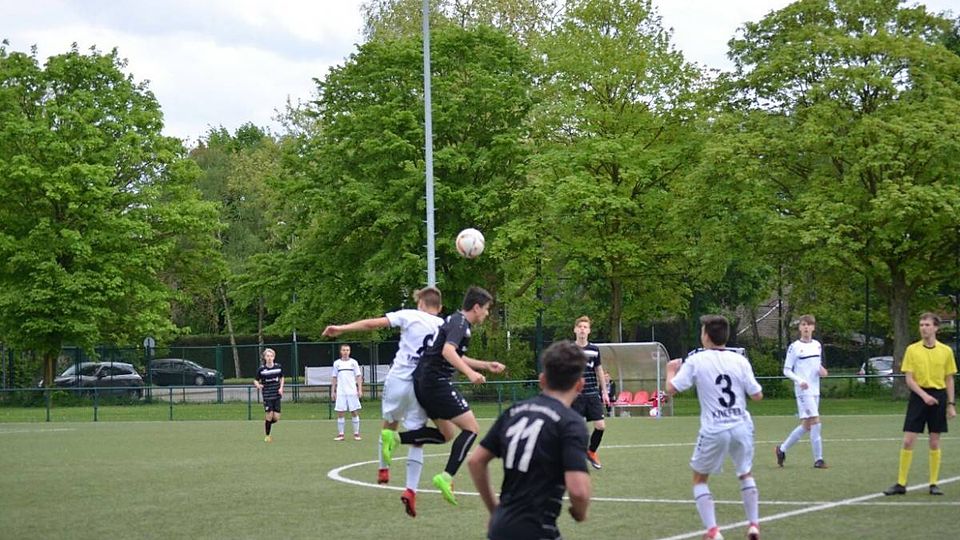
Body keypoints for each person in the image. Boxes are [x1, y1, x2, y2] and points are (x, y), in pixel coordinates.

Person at [321, 286, 444, 517]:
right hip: (422, 384)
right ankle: (411, 490)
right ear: (440, 307)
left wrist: (342, 328)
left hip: (398, 380)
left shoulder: (409, 315)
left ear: (420, 304)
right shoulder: (443, 326)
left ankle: (383, 469)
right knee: (417, 437)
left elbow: (372, 324)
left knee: (389, 425)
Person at [468, 340, 592, 540]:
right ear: (580, 385)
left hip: (500, 528)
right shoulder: (571, 423)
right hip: (537, 529)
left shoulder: (514, 412)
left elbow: (475, 461)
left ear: (542, 380)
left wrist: (494, 510)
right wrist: (580, 512)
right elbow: (578, 491)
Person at [666, 315, 763, 540]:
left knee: (699, 479)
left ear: (706, 336)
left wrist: (670, 370)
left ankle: (713, 531)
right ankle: (753, 525)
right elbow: (757, 395)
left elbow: (671, 389)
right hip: (741, 426)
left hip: (715, 429)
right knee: (745, 473)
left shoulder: (697, 360)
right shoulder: (739, 360)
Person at [407, 285, 505, 506]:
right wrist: (470, 374)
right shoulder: (460, 324)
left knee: (446, 433)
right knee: (471, 429)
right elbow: (448, 352)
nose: (487, 313)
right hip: (435, 383)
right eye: (486, 309)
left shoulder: (457, 322)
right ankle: (446, 476)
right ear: (476, 307)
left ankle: (394, 438)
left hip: (425, 381)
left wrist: (485, 365)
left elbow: (456, 354)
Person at [883, 312, 957, 496]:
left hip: (938, 397)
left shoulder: (946, 351)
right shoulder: (912, 350)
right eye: (921, 325)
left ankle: (933, 483)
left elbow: (949, 379)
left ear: (936, 328)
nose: (923, 328)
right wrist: (924, 396)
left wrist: (950, 404)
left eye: (927, 325)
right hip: (918, 397)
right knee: (908, 440)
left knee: (934, 442)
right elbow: (909, 379)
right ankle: (901, 483)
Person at [775, 314, 829, 469]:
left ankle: (781, 449)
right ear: (799, 328)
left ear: (813, 328)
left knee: (806, 425)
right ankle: (819, 460)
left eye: (809, 325)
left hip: (815, 390)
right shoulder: (794, 347)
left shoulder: (817, 345)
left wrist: (821, 370)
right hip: (803, 391)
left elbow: (816, 365)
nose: (806, 327)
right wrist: (800, 381)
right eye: (803, 324)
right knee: (816, 421)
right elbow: (786, 370)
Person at [572, 316, 610, 469]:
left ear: (589, 331)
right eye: (580, 327)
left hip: (592, 394)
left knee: (600, 426)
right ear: (575, 330)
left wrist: (605, 392)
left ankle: (591, 451)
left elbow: (599, 370)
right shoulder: (569, 349)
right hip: (575, 396)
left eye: (585, 327)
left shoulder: (594, 350)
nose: (582, 329)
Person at [331, 344, 363, 441]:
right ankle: (341, 435)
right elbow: (334, 377)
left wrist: (359, 389)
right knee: (340, 412)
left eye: (347, 350)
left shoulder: (354, 362)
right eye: (344, 350)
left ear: (350, 351)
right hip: (341, 392)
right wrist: (333, 391)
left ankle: (356, 434)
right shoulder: (337, 363)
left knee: (354, 411)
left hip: (352, 391)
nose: (345, 352)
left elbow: (358, 376)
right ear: (341, 351)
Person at [254, 348, 283, 443]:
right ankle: (267, 436)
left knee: (276, 418)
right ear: (265, 357)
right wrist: (258, 385)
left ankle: (267, 423)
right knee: (269, 415)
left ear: (274, 357)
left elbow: (282, 377)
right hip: (267, 395)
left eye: (271, 356)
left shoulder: (278, 367)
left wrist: (281, 388)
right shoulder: (261, 369)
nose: (269, 358)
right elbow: (255, 380)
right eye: (267, 356)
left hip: (276, 395)